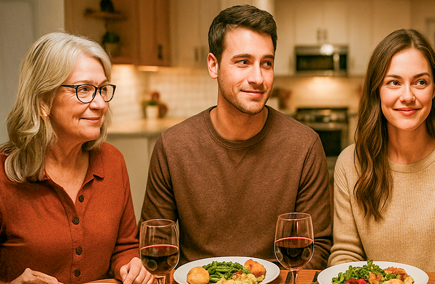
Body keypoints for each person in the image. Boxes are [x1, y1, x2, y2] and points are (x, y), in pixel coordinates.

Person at [0, 32, 151, 283]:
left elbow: (124, 246)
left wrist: (130, 265)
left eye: (102, 89)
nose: (100, 104)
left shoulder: (112, 161)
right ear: (43, 101)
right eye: (84, 89)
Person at [140, 5, 332, 268]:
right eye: (243, 62)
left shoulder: (304, 146)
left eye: (266, 63)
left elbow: (317, 249)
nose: (258, 78)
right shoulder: (173, 146)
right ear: (213, 65)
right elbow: (155, 245)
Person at [328, 29, 435, 273]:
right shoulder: (350, 162)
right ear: (377, 89)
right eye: (394, 82)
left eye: (420, 82)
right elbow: (346, 255)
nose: (407, 96)